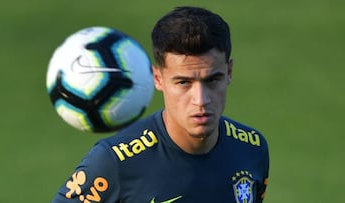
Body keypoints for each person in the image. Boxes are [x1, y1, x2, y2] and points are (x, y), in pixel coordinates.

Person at [52, 6, 269, 203]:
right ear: (158, 78)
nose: (201, 100)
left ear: (229, 72)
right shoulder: (114, 161)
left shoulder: (252, 148)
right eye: (183, 82)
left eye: (212, 80)